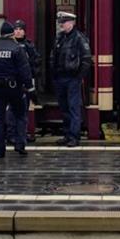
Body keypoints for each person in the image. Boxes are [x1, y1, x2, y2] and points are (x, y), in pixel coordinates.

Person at [0, 21, 34, 158]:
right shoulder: (17, 48)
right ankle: (20, 145)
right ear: (11, 34)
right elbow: (25, 71)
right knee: (20, 116)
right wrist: (30, 88)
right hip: (14, 89)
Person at [50, 11, 93, 147]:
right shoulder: (59, 37)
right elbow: (53, 56)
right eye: (61, 22)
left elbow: (86, 60)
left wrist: (78, 77)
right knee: (64, 108)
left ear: (72, 23)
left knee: (74, 108)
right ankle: (67, 135)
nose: (61, 25)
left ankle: (74, 137)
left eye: (64, 22)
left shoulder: (79, 38)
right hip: (60, 77)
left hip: (72, 78)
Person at [6, 19, 41, 145]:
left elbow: (36, 61)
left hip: (25, 82)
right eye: (16, 29)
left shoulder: (29, 46)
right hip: (13, 82)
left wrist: (33, 74)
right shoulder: (10, 45)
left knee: (24, 110)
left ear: (24, 31)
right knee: (12, 110)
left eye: (20, 29)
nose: (18, 31)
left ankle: (22, 134)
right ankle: (11, 134)